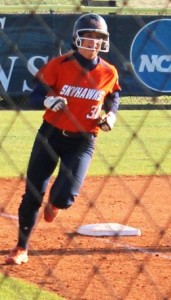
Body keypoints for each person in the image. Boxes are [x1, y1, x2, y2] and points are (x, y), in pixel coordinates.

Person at [5, 13, 121, 265]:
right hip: (51, 134)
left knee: (65, 196)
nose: (93, 43)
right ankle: (21, 248)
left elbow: (114, 97)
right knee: (33, 193)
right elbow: (35, 96)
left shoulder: (108, 71)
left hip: (83, 140)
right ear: (76, 40)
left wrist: (111, 115)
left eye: (98, 39)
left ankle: (56, 204)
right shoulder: (59, 65)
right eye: (87, 38)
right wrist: (48, 100)